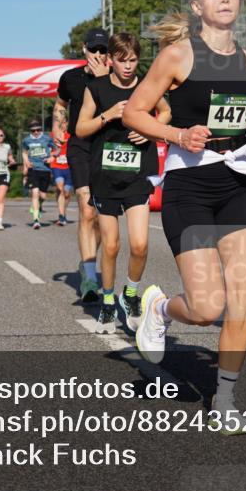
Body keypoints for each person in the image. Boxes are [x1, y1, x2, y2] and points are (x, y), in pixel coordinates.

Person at [122, 0, 246, 433]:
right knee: (207, 308)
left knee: (242, 299)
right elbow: (134, 113)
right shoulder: (177, 56)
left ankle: (225, 398)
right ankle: (159, 308)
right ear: (197, 6)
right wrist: (177, 134)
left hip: (238, 184)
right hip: (189, 186)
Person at [75, 32, 171, 333]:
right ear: (110, 60)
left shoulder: (147, 85)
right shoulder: (96, 88)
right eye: (122, 60)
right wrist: (106, 116)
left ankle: (129, 294)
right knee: (112, 245)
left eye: (133, 60)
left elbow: (166, 111)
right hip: (105, 176)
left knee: (140, 244)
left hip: (138, 173)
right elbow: (80, 129)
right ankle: (107, 300)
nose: (128, 66)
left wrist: (149, 129)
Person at [55, 27, 110, 300]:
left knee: (102, 216)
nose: (98, 54)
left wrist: (104, 81)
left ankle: (87, 261)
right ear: (84, 49)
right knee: (87, 211)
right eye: (93, 49)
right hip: (79, 146)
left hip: (108, 147)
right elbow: (60, 104)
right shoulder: (70, 77)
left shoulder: (116, 76)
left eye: (103, 50)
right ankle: (89, 277)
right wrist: (57, 125)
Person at [21, 119, 55, 230]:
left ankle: (38, 206)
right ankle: (36, 220)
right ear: (30, 131)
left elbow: (56, 150)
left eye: (38, 130)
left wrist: (52, 157)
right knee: (35, 193)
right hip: (33, 169)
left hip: (45, 169)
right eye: (33, 130)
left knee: (43, 196)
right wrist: (26, 161)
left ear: (41, 129)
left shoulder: (47, 138)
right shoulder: (26, 140)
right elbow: (24, 152)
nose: (36, 132)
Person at [50, 127, 73, 227]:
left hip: (69, 167)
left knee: (67, 193)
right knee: (60, 188)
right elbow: (47, 148)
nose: (62, 125)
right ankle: (61, 215)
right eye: (60, 123)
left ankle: (63, 211)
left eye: (64, 123)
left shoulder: (71, 135)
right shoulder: (52, 135)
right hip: (57, 166)